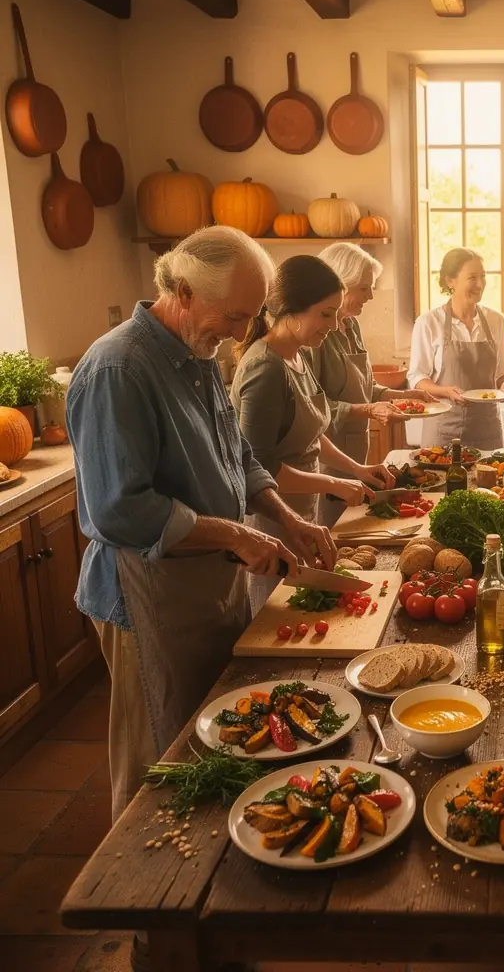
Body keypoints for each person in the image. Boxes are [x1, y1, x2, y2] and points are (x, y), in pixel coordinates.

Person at [66, 227, 338, 818]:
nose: (241, 334)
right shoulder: (119, 368)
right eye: (233, 317)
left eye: (250, 318)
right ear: (183, 291)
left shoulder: (198, 355)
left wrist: (285, 517)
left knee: (215, 736)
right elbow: (120, 509)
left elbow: (238, 456)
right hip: (149, 594)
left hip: (208, 584)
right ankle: (142, 875)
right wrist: (237, 534)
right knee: (158, 762)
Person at [232, 254, 394, 613]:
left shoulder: (297, 357)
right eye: (325, 314)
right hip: (270, 522)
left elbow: (312, 432)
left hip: (302, 515)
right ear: (291, 309)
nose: (334, 325)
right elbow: (259, 468)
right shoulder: (265, 369)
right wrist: (333, 483)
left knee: (301, 616)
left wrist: (356, 469)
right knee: (273, 620)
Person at [312, 242, 436, 526]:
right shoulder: (317, 335)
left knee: (348, 523)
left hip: (357, 450)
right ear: (341, 283)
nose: (370, 296)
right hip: (327, 454)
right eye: (364, 288)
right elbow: (314, 407)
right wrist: (369, 410)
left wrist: (400, 394)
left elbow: (363, 386)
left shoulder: (351, 326)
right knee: (329, 526)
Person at [408, 247, 504, 450]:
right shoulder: (429, 322)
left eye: (483, 276)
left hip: (488, 431)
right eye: (472, 277)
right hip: (443, 431)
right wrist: (445, 391)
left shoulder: (497, 321)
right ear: (451, 281)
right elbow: (417, 378)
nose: (480, 284)